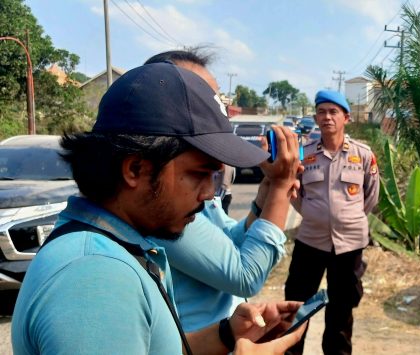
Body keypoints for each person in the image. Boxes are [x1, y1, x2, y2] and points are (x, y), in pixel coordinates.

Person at [11, 62, 306, 354]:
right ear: (135, 169)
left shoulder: (115, 246)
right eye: (199, 174)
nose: (207, 194)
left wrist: (228, 335)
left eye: (214, 177)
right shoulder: (95, 278)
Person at [142, 49, 296, 332]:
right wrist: (281, 187)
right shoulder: (159, 198)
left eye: (216, 99)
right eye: (200, 96)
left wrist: (265, 196)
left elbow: (228, 241)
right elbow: (245, 275)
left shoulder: (186, 179)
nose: (208, 193)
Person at [285, 90, 380, 355]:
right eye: (322, 112)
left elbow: (371, 197)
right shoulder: (306, 155)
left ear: (346, 118)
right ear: (316, 117)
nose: (327, 117)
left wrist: (347, 218)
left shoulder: (362, 155)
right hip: (310, 241)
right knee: (296, 306)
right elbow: (295, 193)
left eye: (333, 112)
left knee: (341, 308)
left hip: (349, 245)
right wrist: (315, 215)